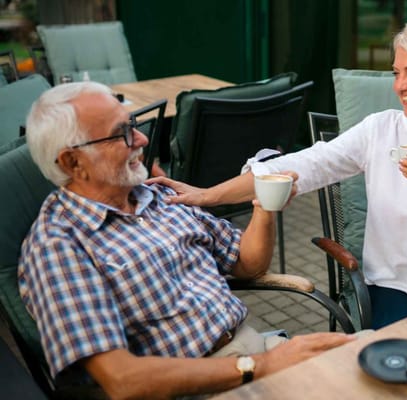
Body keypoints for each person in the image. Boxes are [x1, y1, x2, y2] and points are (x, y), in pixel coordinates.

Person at [148, 18, 407, 329]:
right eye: (397, 73)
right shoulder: (380, 130)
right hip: (390, 290)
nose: (399, 86)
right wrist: (204, 195)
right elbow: (304, 165)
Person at [18, 81, 355, 399]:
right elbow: (121, 380)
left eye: (133, 124)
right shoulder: (57, 246)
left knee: (370, 356)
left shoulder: (158, 197)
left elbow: (247, 264)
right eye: (121, 133)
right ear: (72, 161)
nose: (142, 139)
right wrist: (262, 365)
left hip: (254, 350)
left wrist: (264, 207)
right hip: (199, 386)